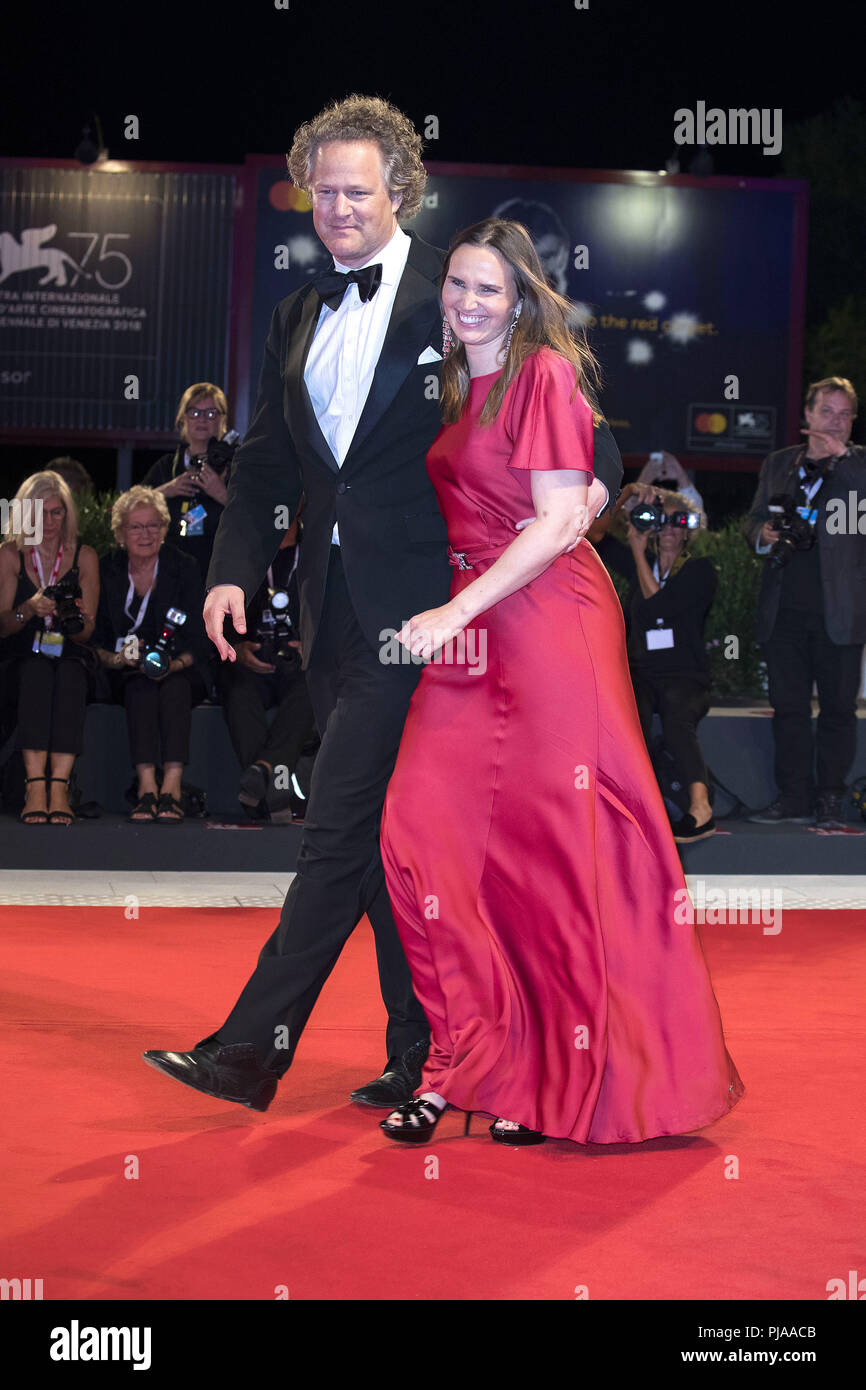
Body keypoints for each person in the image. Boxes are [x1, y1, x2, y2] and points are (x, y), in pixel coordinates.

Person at [140, 95, 626, 1114]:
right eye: (320, 190)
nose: (336, 207)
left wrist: (589, 485)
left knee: (335, 826)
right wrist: (231, 568)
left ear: (399, 190)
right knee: (378, 842)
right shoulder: (295, 314)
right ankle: (427, 1056)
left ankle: (249, 1049)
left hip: (429, 618)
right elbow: (269, 460)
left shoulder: (454, 289)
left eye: (355, 189)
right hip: (329, 611)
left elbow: (554, 395)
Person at [377, 219, 744, 1146]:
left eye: (489, 289)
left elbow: (552, 528)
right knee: (419, 833)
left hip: (547, 626)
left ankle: (556, 1081)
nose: (467, 302)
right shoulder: (463, 383)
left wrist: (455, 613)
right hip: (477, 633)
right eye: (457, 285)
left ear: (524, 298)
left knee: (551, 856)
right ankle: (468, 1058)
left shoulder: (543, 371)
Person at [743, 377, 866, 828]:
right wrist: (763, 534)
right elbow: (752, 519)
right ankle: (793, 796)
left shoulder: (860, 467)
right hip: (785, 610)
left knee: (838, 710)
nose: (836, 422)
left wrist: (843, 462)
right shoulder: (779, 464)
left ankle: (830, 800)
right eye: (828, 412)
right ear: (807, 416)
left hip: (842, 613)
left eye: (845, 414)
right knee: (789, 709)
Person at [591, 483, 718, 842]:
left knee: (678, 714)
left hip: (686, 675)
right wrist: (627, 493)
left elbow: (660, 606)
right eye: (660, 522)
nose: (668, 531)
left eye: (678, 523)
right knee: (634, 712)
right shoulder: (641, 562)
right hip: (643, 672)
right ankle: (634, 804)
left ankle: (700, 807)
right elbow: (593, 532)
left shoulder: (700, 571)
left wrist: (635, 549)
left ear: (689, 531)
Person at [91, 487, 208, 822]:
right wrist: (115, 659)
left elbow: (199, 638)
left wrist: (177, 662)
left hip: (180, 667)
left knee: (174, 687)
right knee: (139, 686)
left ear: (165, 528)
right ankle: (146, 786)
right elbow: (95, 636)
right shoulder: (107, 568)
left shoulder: (183, 566)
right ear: (120, 533)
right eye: (136, 527)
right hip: (123, 670)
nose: (146, 534)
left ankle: (171, 785)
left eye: (153, 526)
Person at [0, 470, 99, 825]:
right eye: (41, 513)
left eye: (57, 512)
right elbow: (3, 625)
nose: (50, 521)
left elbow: (87, 634)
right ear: (26, 514)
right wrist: (30, 609)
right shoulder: (10, 555)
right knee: (36, 673)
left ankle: (59, 787)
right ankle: (34, 786)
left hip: (68, 651)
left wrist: (76, 616)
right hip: (23, 653)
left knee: (72, 675)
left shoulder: (83, 556)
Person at [217, 509, 318, 822]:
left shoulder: (319, 548)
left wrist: (315, 642)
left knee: (312, 685)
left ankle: (261, 777)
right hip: (255, 657)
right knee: (234, 681)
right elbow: (219, 612)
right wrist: (237, 647)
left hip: (302, 659)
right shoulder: (244, 554)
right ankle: (271, 784)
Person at [141, 383, 235, 587]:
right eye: (194, 412)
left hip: (219, 571)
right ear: (182, 419)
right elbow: (128, 509)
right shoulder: (167, 467)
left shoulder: (235, 466)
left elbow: (254, 518)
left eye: (211, 413)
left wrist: (221, 493)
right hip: (169, 571)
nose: (202, 419)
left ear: (223, 420)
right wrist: (165, 491)